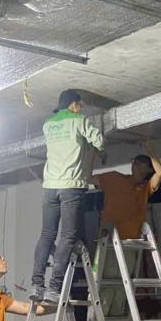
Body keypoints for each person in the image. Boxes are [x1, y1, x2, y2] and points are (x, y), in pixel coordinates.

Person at [87, 139, 161, 321]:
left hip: (129, 246)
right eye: (134, 162)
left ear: (147, 169)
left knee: (121, 294)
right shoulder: (114, 178)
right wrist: (91, 154)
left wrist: (149, 148)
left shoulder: (144, 189)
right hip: (108, 243)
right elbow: (87, 178)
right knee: (103, 292)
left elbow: (160, 172)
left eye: (140, 163)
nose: (135, 165)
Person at [30, 89, 106, 304]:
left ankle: (37, 284)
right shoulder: (78, 120)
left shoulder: (48, 125)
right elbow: (99, 142)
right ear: (73, 104)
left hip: (50, 186)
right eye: (79, 105)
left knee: (46, 234)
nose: (80, 109)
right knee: (67, 236)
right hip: (71, 187)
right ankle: (54, 287)